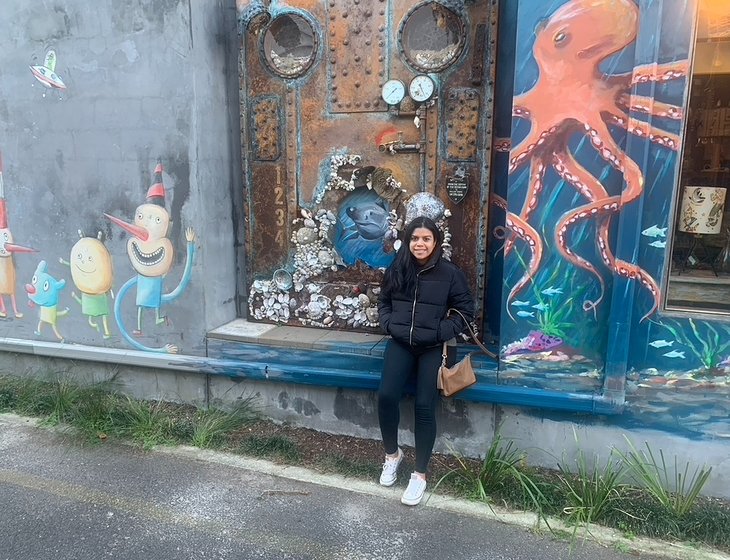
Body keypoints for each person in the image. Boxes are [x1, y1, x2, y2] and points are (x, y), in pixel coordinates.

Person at [376, 216, 474, 506]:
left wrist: (440, 331)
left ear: (435, 242)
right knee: (386, 396)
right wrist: (389, 324)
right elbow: (384, 301)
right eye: (415, 239)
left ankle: (419, 474)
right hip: (401, 343)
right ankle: (392, 455)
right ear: (408, 241)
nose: (420, 244)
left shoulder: (450, 273)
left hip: (432, 347)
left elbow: (465, 310)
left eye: (426, 239)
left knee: (424, 405)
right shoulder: (397, 267)